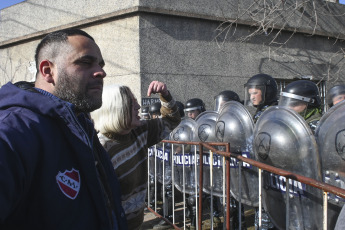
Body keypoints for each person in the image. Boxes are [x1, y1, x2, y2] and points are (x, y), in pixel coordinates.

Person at [0, 29, 127, 229]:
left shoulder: (79, 123)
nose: (101, 72)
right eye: (85, 62)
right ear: (48, 71)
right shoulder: (12, 131)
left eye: (101, 64)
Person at [90, 81, 181, 230]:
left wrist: (165, 95)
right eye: (132, 104)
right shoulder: (100, 149)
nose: (139, 107)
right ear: (117, 109)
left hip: (137, 223)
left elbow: (172, 120)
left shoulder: (140, 132)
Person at [244, 74, 278, 230]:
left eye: (255, 92)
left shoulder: (274, 113)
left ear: (267, 92)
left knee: (270, 214)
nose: (252, 96)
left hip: (271, 170)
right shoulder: (257, 113)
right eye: (249, 93)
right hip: (258, 168)